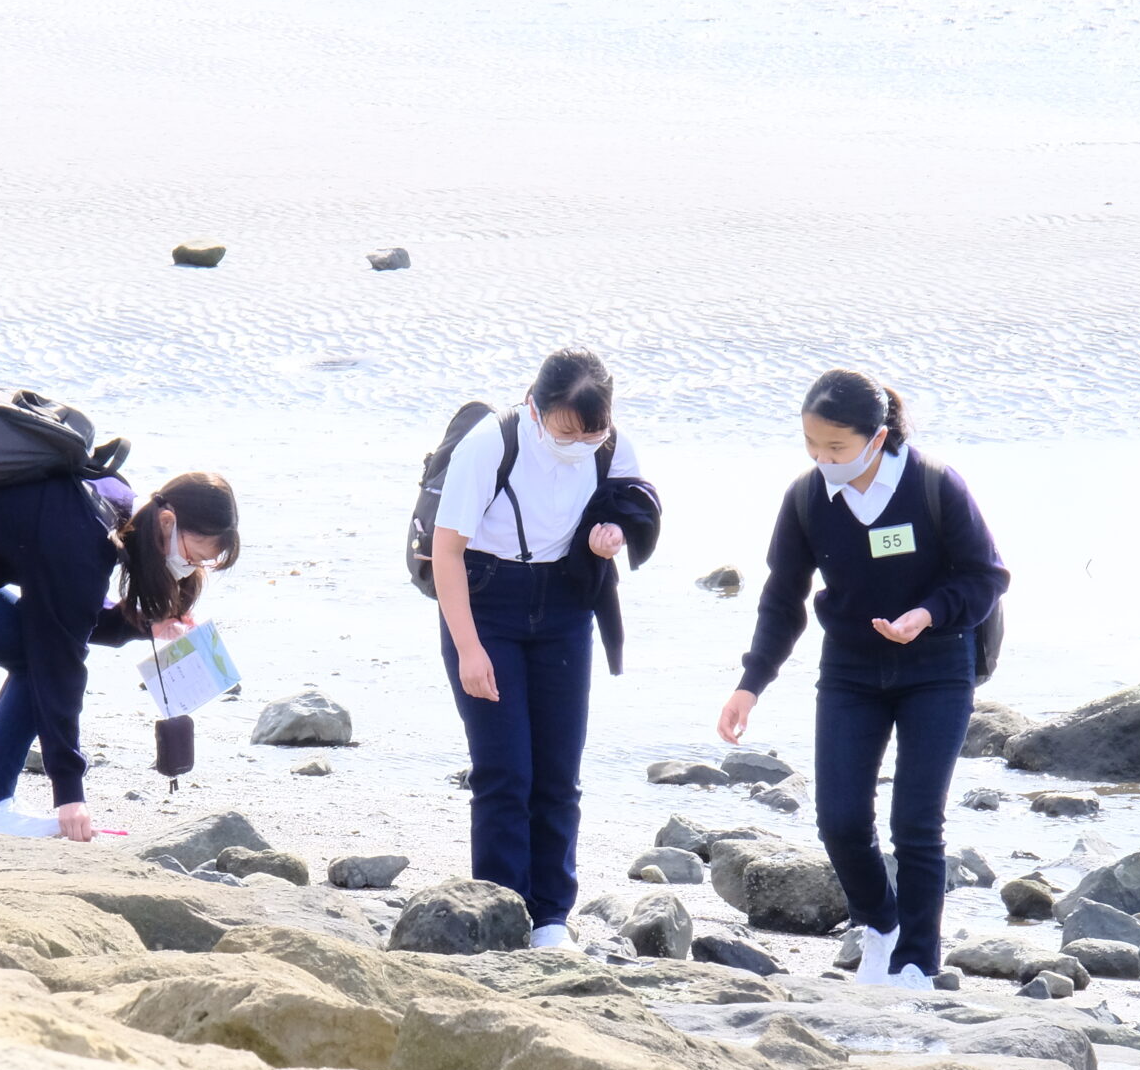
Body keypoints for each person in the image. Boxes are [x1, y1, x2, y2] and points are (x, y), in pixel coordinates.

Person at [716, 368, 1009, 988]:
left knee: (916, 823)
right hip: (850, 670)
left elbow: (986, 577)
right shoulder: (805, 499)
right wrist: (751, 683)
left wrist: (926, 615)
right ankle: (881, 923)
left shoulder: (934, 485)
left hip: (936, 667)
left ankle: (917, 965)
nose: (823, 461)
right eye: (812, 448)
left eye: (837, 449)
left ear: (876, 439)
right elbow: (783, 598)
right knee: (841, 821)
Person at [0, 470, 240, 840]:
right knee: (34, 659)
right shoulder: (87, 538)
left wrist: (142, 624)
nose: (190, 569)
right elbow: (59, 658)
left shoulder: (115, 501)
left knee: (36, 650)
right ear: (169, 521)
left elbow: (69, 612)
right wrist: (70, 794)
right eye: (193, 557)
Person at [432, 349, 662, 947]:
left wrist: (615, 533)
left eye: (593, 432)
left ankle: (553, 917)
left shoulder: (609, 445)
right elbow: (446, 553)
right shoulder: (491, 443)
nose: (579, 444)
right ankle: (504, 912)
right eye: (566, 432)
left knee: (558, 773)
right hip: (486, 600)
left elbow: (636, 503)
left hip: (564, 605)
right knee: (506, 770)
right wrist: (468, 650)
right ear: (536, 409)